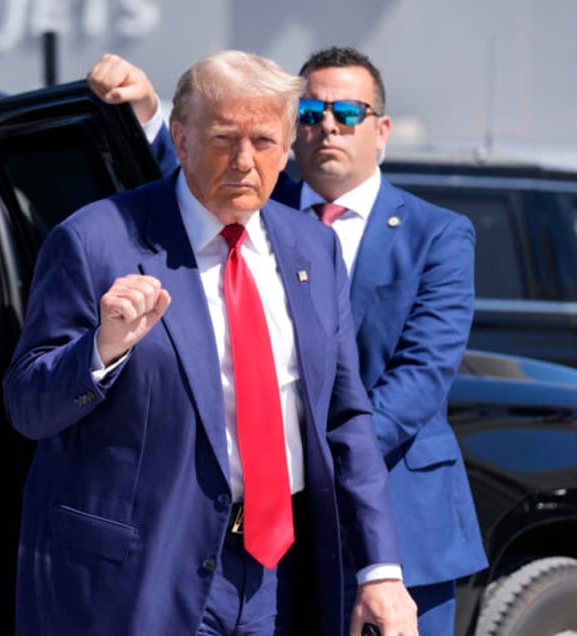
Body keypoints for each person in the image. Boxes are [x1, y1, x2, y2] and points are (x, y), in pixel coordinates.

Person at [4, 49, 419, 636]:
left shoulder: (312, 249)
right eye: (225, 138)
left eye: (264, 141)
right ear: (181, 135)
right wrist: (102, 349)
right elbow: (26, 405)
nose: (245, 161)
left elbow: (345, 419)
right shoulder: (95, 240)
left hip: (278, 573)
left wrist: (380, 571)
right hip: (139, 577)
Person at [88, 46, 487, 635]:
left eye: (349, 112)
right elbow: (192, 178)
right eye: (311, 110)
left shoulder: (438, 234)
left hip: (398, 518)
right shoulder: (255, 211)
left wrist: (309, 455)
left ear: (381, 131)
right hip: (274, 527)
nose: (327, 124)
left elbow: (420, 378)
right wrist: (149, 113)